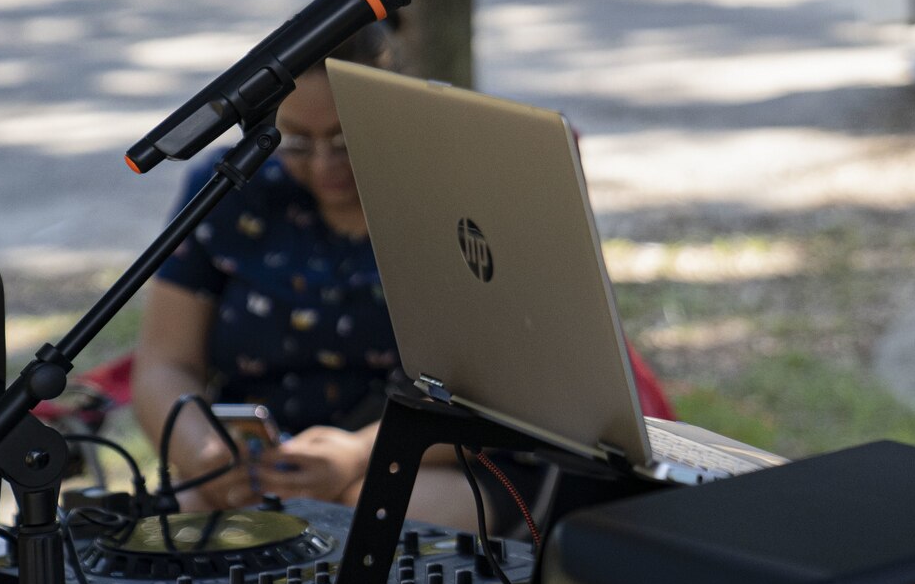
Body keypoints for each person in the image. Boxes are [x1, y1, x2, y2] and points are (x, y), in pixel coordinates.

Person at [133, 26, 673, 530]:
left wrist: (357, 455)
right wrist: (207, 455)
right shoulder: (230, 187)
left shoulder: (457, 195)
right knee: (172, 527)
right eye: (295, 141)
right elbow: (165, 362)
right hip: (267, 465)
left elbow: (516, 387)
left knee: (363, 519)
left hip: (444, 459)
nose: (323, 166)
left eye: (345, 142)